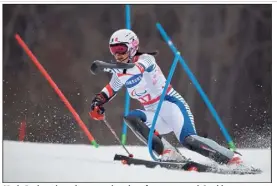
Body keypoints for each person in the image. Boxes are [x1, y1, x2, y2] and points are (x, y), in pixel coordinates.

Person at [90, 29, 242, 165]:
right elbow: (109, 90)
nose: (118, 54)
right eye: (113, 50)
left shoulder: (147, 60)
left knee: (189, 141)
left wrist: (106, 66)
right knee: (131, 117)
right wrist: (96, 103)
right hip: (154, 114)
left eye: (121, 49)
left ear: (132, 47)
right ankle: (168, 152)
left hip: (172, 106)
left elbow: (135, 70)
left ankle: (231, 157)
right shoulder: (119, 73)